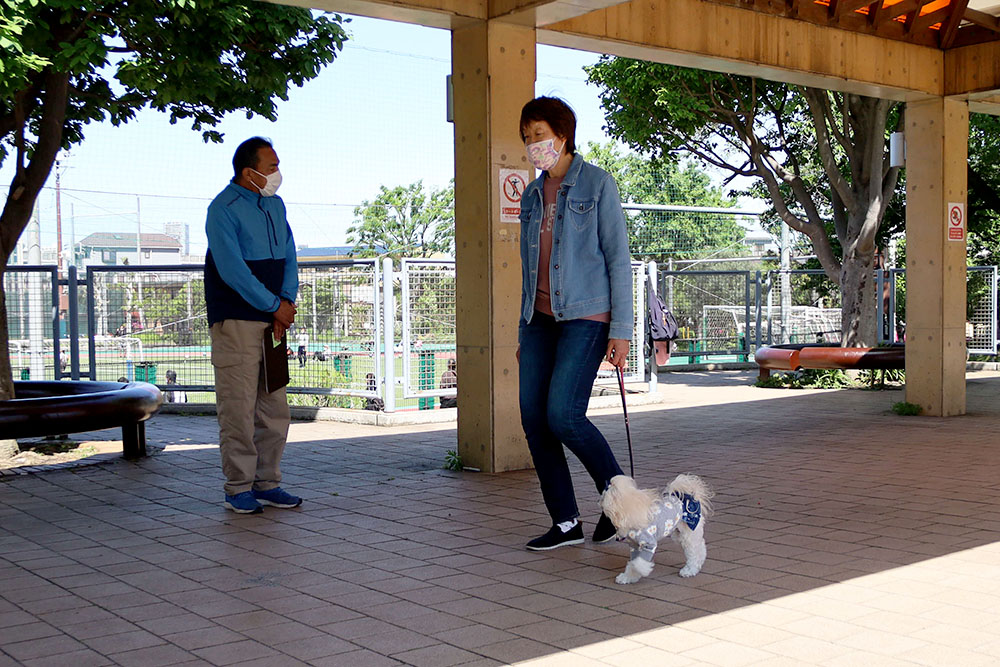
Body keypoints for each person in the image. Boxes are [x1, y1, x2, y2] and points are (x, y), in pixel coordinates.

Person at [516, 97, 633, 551]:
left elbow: (618, 260)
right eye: (526, 137)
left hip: (586, 316)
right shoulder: (531, 195)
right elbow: (528, 269)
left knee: (563, 415)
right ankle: (566, 523)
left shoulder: (598, 185)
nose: (532, 145)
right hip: (538, 321)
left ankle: (621, 506)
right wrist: (522, 329)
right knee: (534, 419)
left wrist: (621, 330)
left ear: (562, 135)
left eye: (538, 135)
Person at [205, 136, 302, 514]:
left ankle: (268, 482)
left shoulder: (276, 206)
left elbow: (290, 256)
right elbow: (233, 271)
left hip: (273, 323)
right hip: (238, 322)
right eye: (272, 166)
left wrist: (286, 303)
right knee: (239, 409)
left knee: (274, 408)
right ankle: (238, 488)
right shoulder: (222, 208)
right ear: (250, 172)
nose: (278, 172)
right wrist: (273, 305)